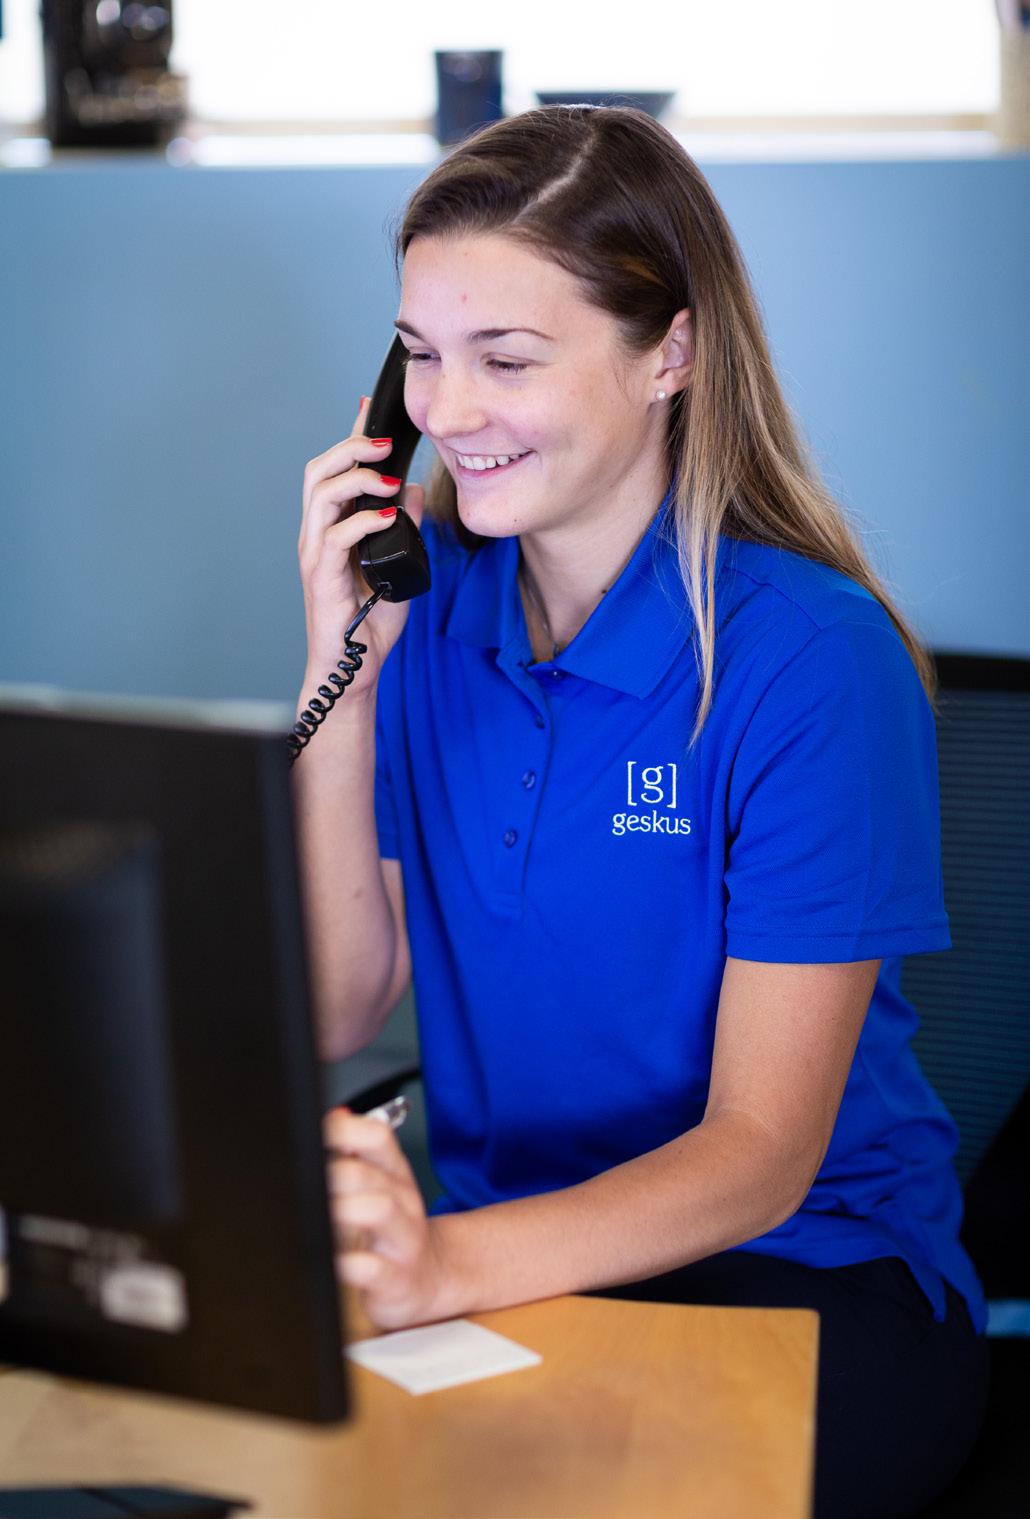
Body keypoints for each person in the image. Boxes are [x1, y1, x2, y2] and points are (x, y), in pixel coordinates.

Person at [293, 106, 989, 1519]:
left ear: (669, 353)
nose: (445, 413)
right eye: (420, 355)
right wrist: (338, 675)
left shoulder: (807, 659)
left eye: (507, 359)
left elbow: (760, 1155)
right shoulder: (425, 614)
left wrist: (439, 1267)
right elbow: (335, 1003)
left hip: (799, 1276)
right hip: (509, 1268)